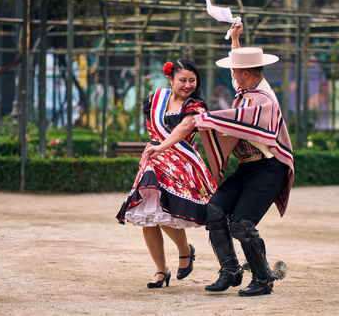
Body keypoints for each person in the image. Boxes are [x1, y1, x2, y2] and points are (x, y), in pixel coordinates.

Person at [194, 23, 295, 297]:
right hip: (248, 168)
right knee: (215, 210)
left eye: (236, 71)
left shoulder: (264, 101)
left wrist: (205, 119)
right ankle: (231, 270)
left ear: (246, 74)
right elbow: (236, 71)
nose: (232, 75)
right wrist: (235, 40)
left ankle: (263, 279)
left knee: (242, 223)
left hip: (269, 169)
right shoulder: (247, 92)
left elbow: (242, 121)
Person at [116, 59, 217, 289]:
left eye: (193, 80)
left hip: (180, 159)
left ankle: (184, 250)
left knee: (158, 206)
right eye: (183, 80)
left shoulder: (196, 105)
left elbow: (183, 129)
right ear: (170, 79)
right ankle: (161, 271)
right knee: (146, 212)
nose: (188, 85)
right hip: (153, 157)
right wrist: (156, 149)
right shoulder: (155, 99)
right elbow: (151, 128)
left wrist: (162, 147)